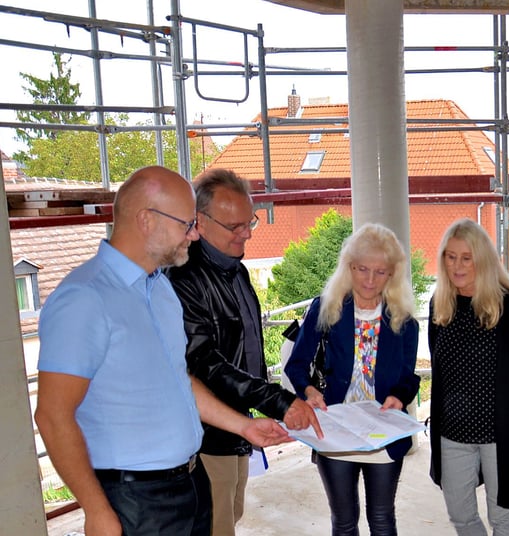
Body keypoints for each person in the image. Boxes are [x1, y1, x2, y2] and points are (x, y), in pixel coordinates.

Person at [33, 166, 292, 536]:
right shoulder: (84, 298)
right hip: (135, 498)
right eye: (187, 224)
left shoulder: (159, 289)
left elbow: (178, 380)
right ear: (146, 221)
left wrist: (244, 426)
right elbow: (53, 416)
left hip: (189, 480)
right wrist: (95, 510)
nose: (194, 233)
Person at [168, 168, 322, 535]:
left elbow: (246, 349)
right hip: (207, 431)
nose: (248, 232)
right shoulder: (185, 279)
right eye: (235, 226)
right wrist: (279, 401)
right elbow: (204, 363)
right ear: (200, 222)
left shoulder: (233, 269)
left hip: (238, 423)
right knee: (217, 523)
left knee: (232, 512)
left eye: (248, 221)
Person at [285, 223, 420, 536]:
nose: (370, 280)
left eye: (380, 272)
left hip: (383, 433)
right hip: (335, 431)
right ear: (349, 267)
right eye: (362, 269)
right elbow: (296, 365)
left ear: (393, 273)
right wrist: (307, 390)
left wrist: (399, 396)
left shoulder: (403, 318)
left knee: (383, 520)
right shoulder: (327, 308)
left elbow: (408, 377)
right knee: (344, 523)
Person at [428, 219, 509, 536]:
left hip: (500, 435)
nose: (457, 265)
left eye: (467, 257)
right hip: (452, 434)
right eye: (451, 257)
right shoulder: (439, 306)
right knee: (461, 516)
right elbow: (439, 376)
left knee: (502, 516)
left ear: (482, 260)